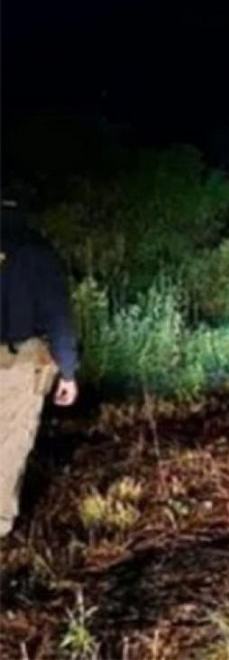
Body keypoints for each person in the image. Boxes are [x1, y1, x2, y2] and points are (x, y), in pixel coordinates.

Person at [0, 202, 79, 538]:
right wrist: (68, 371)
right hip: (21, 361)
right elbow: (56, 313)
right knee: (11, 440)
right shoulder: (37, 251)